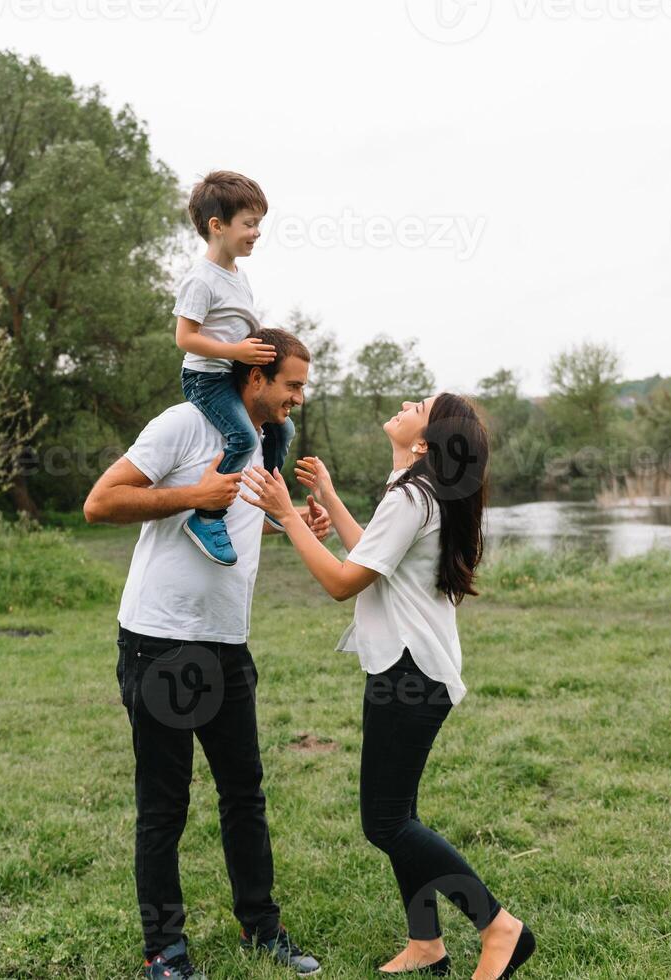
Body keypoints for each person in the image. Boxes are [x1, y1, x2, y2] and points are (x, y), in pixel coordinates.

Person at [238, 394, 537, 980]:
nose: (406, 402)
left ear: (425, 442)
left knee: (387, 823)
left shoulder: (412, 496)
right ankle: (426, 943)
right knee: (402, 815)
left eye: (419, 405)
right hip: (413, 670)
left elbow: (344, 583)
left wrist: (292, 515)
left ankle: (499, 927)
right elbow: (373, 555)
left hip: (410, 674)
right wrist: (326, 499)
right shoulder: (417, 491)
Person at [83, 328, 330, 980]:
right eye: (292, 386)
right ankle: (164, 952)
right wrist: (192, 495)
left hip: (227, 644)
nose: (299, 399)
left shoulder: (263, 445)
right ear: (255, 377)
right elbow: (99, 502)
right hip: (160, 642)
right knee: (165, 806)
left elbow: (247, 516)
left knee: (244, 793)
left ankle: (261, 928)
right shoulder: (184, 426)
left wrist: (296, 523)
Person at [173, 170, 295, 567]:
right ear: (217, 226)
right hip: (206, 379)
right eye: (250, 223)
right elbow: (186, 338)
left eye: (259, 223)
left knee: (284, 428)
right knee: (243, 438)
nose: (257, 232)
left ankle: (268, 496)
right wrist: (236, 352)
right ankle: (207, 516)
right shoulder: (200, 279)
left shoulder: (239, 277)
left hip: (232, 374)